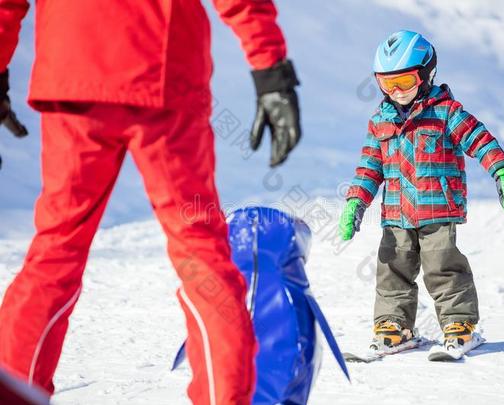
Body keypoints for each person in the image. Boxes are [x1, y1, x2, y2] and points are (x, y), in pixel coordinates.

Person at [0, 1, 301, 404]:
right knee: (201, 251)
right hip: (163, 72)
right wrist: (270, 70)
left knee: (55, 250)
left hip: (73, 70)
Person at [339, 30, 504, 352]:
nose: (396, 92)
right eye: (387, 84)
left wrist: (502, 173)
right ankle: (393, 326)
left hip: (438, 208)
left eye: (405, 82)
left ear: (426, 74)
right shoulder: (379, 122)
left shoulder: (446, 113)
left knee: (442, 265)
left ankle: (457, 323)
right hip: (396, 213)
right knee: (391, 268)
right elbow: (370, 168)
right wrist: (355, 202)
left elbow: (481, 141)